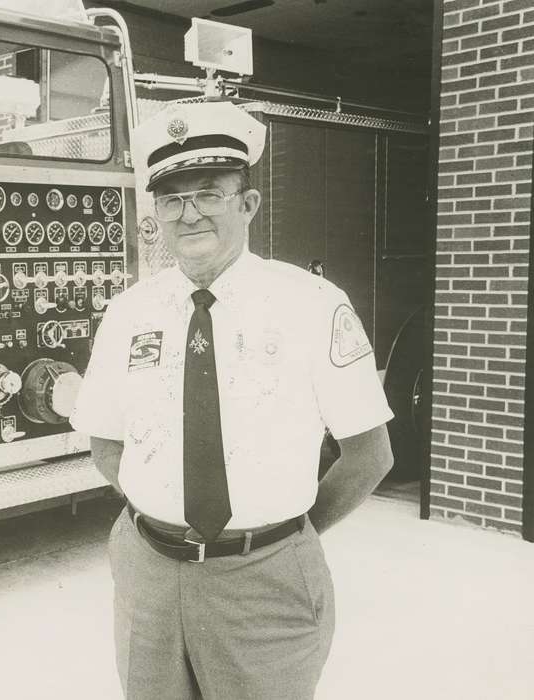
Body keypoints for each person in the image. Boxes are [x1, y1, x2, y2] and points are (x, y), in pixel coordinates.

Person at [69, 100, 394, 700]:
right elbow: (105, 442)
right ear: (156, 214)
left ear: (248, 205)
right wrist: (160, 511)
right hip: (148, 572)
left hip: (263, 580)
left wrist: (281, 535)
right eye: (171, 198)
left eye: (209, 193)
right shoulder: (128, 311)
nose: (188, 213)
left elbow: (370, 454)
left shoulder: (311, 303)